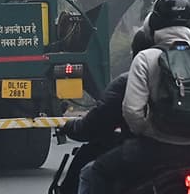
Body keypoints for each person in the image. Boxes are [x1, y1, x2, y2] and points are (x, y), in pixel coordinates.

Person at [79, 0, 190, 194]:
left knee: (95, 171)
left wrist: (151, 132)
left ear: (153, 25)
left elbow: (132, 112)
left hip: (156, 150)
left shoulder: (145, 58)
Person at [55, 27, 155, 194]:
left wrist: (71, 127)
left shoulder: (129, 82)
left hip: (147, 151)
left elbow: (96, 124)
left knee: (89, 173)